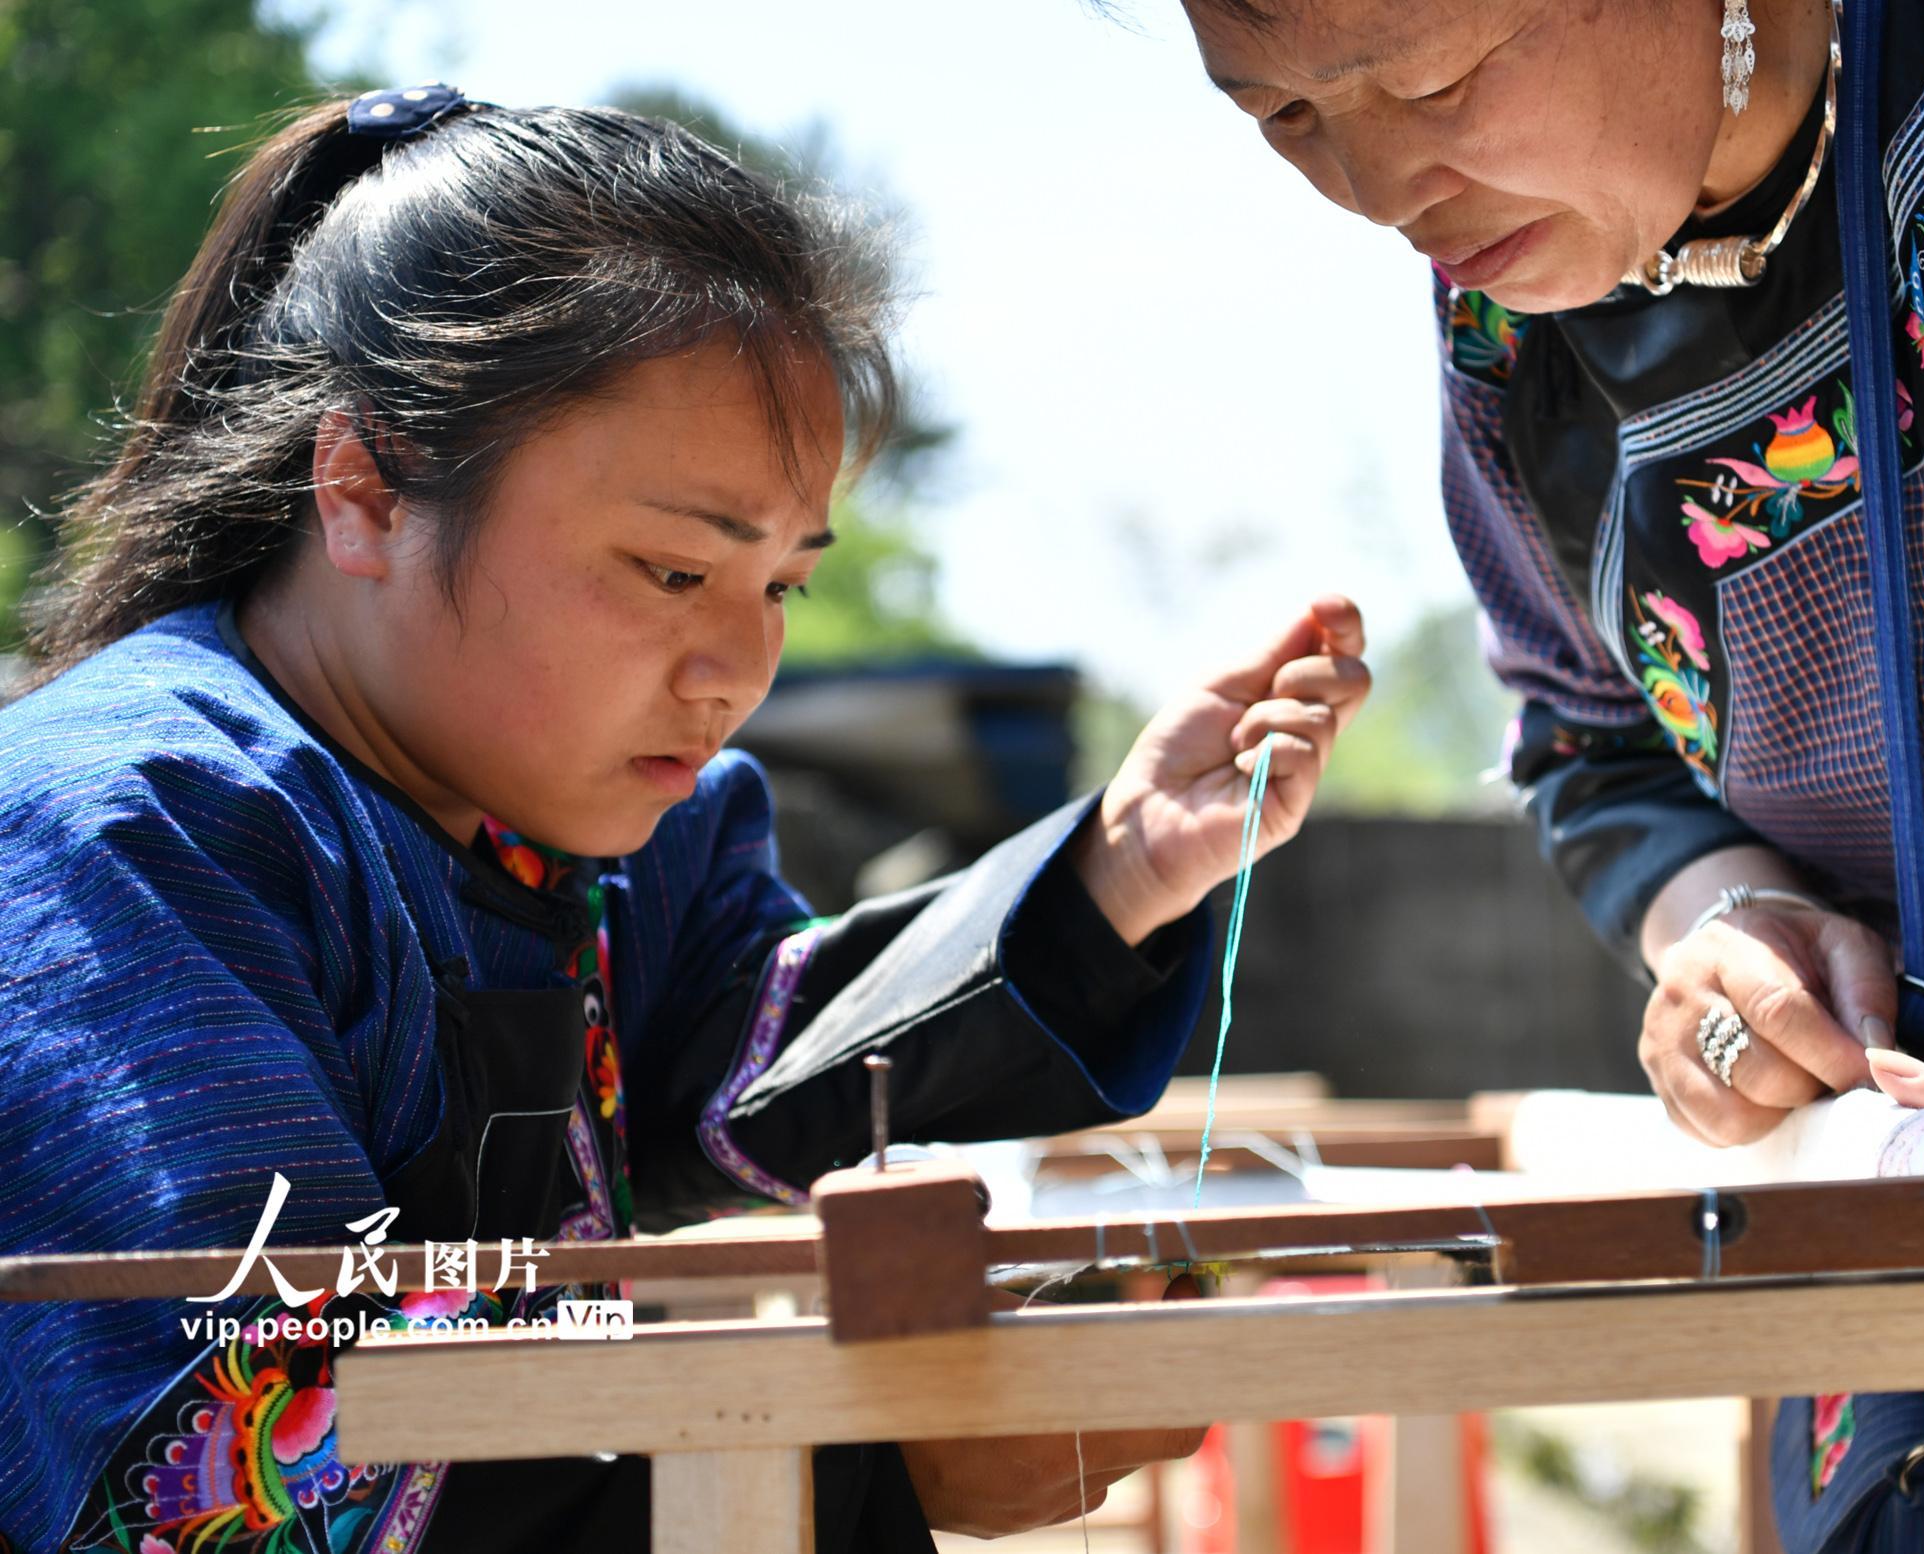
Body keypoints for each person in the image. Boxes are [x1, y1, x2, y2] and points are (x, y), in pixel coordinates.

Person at [0, 85, 1371, 1554]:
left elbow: (750, 1066)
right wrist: (877, 1470)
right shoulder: (127, 840)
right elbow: (246, 1453)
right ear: (368, 486)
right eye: (671, 571)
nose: (739, 670)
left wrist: (1118, 867)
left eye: (780, 584)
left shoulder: (602, 829)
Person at [1172, 0, 1924, 1544]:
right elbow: (1592, 739)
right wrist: (1735, 916)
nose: (1379, 190)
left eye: (1430, 78)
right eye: (1285, 119)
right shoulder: (1514, 338)